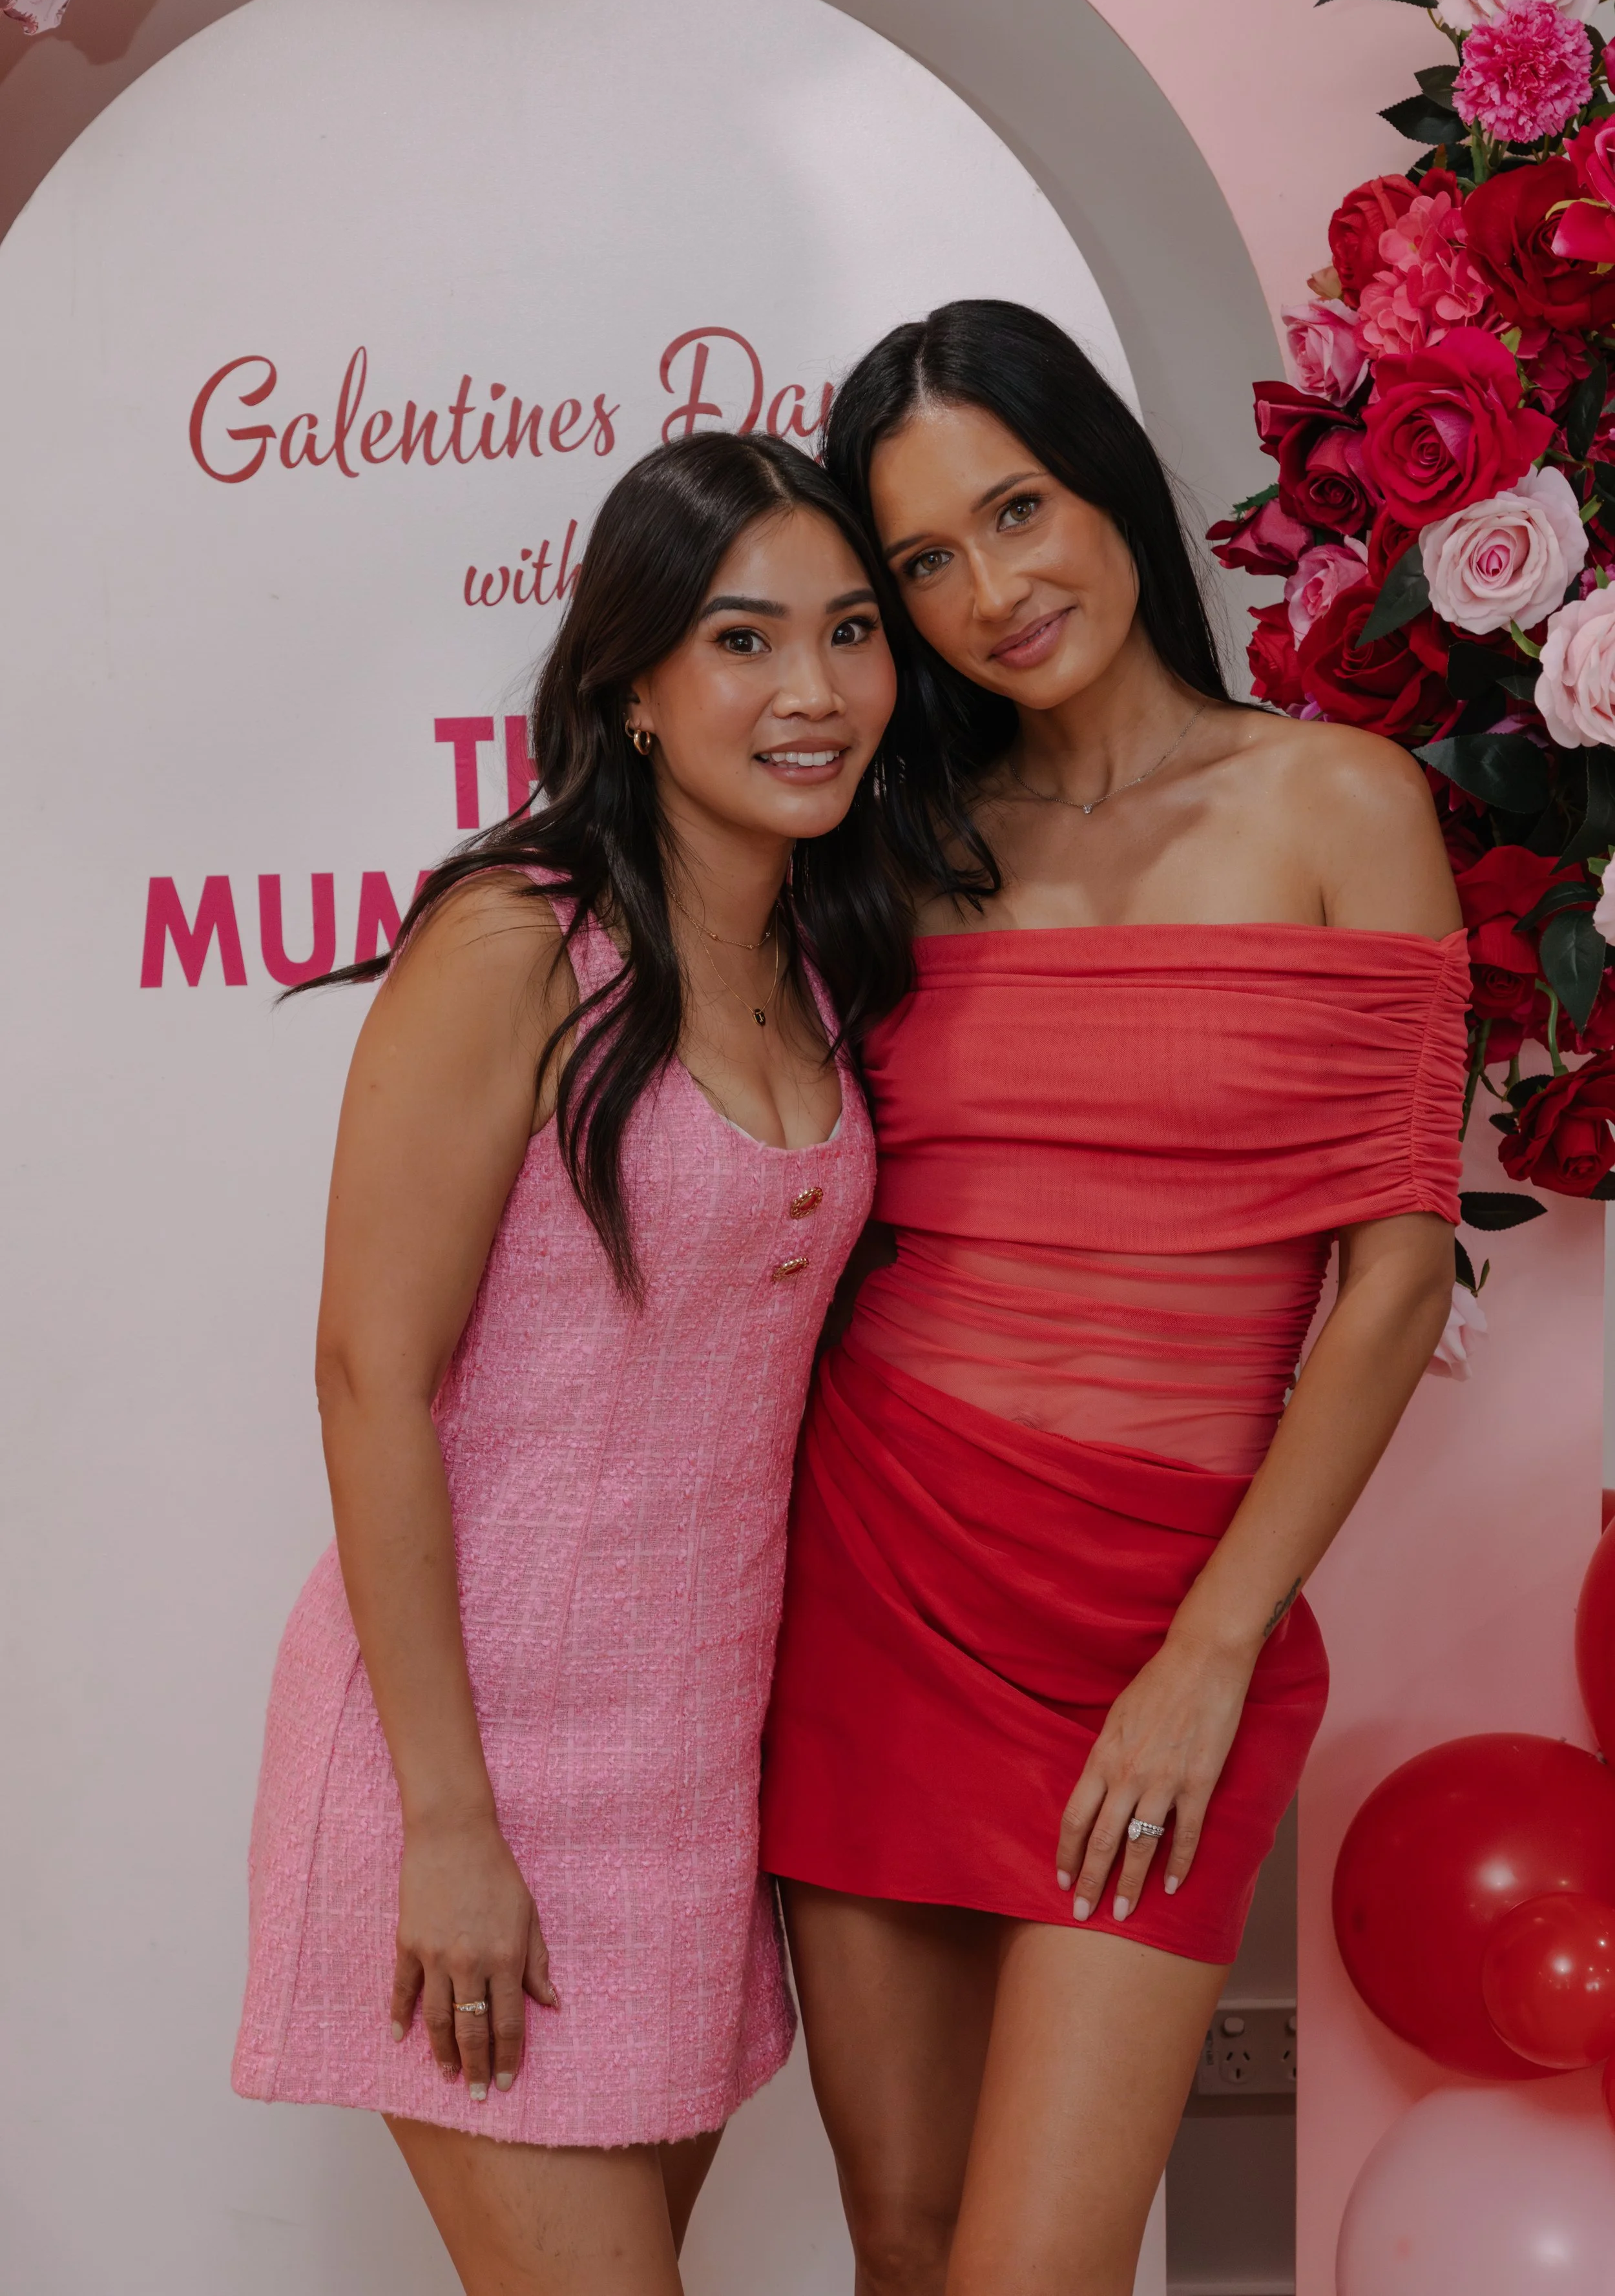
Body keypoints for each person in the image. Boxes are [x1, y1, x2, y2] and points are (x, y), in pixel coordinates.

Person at [761, 300, 1467, 2296]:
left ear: (1110, 493)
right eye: (920, 560)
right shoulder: (898, 845)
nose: (987, 590)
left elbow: (1395, 1272)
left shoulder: (1335, 803)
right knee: (902, 2245)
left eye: (1016, 510)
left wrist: (1208, 1649)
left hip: (1165, 1619)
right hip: (881, 1578)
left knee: (1035, 2273)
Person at [233, 430, 910, 2296]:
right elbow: (369, 1375)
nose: (813, 690)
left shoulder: (831, 965)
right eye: (744, 638)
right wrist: (450, 1823)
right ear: (630, 679)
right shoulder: (517, 942)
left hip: (695, 1778)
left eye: (851, 633)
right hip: (475, 1756)